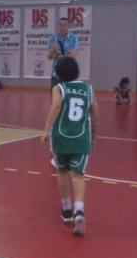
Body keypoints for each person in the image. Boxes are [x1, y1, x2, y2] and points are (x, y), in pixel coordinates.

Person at [40, 56, 99, 236]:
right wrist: (93, 137)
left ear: (58, 74)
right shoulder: (88, 89)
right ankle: (79, 211)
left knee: (62, 172)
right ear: (77, 71)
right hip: (81, 138)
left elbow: (56, 105)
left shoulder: (59, 88)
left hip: (61, 137)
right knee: (78, 175)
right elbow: (96, 117)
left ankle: (66, 210)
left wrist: (46, 130)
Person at [47, 16, 79, 90]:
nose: (63, 27)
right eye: (61, 25)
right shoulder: (52, 38)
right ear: (57, 26)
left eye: (65, 25)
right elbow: (49, 57)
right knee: (55, 95)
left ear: (68, 26)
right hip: (56, 73)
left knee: (69, 95)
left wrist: (57, 56)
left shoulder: (73, 38)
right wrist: (52, 50)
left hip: (70, 73)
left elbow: (72, 55)